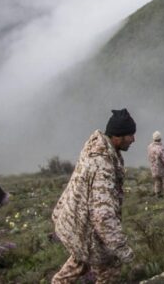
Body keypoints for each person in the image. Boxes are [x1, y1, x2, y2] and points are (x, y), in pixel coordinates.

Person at [51, 109, 137, 283]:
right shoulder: (102, 166)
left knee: (80, 261)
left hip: (76, 223)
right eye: (130, 135)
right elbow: (103, 216)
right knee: (110, 269)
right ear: (118, 137)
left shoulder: (97, 148)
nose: (133, 140)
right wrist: (122, 249)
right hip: (85, 228)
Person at [147, 131, 164, 197]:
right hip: (162, 169)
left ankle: (158, 194)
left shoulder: (150, 147)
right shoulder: (161, 148)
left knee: (157, 181)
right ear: (160, 138)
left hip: (153, 168)